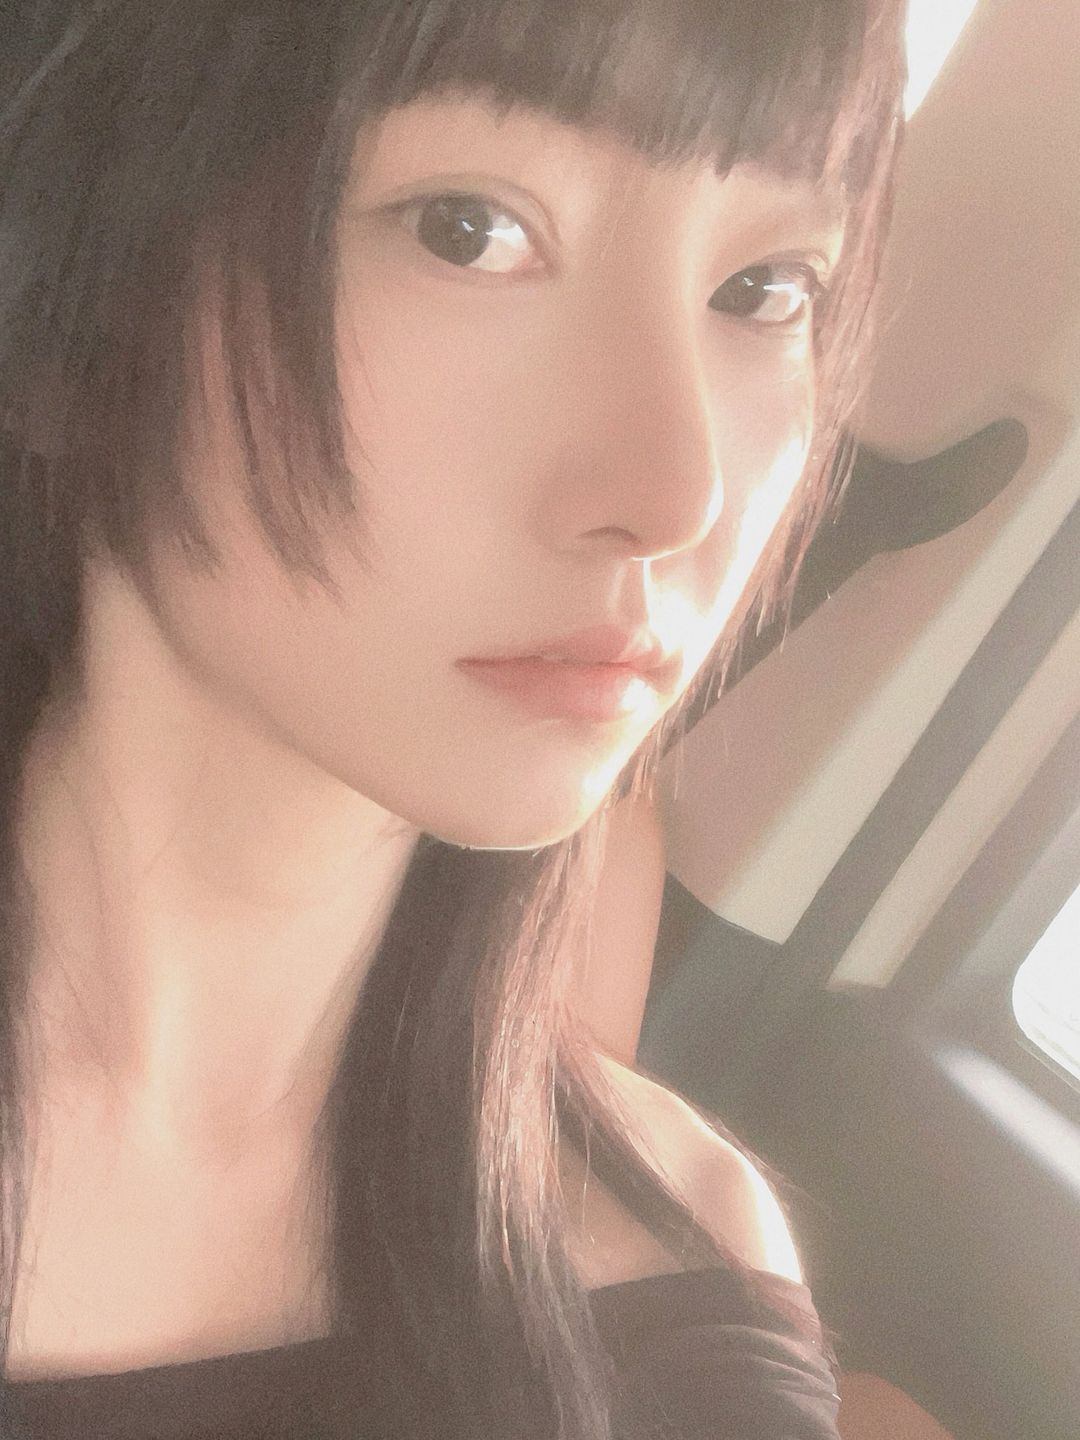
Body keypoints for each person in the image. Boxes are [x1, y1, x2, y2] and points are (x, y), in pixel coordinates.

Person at [0, 2, 906, 1436]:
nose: (678, 495)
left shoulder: (683, 1263)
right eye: (467, 231)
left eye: (765, 289)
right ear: (67, 300)